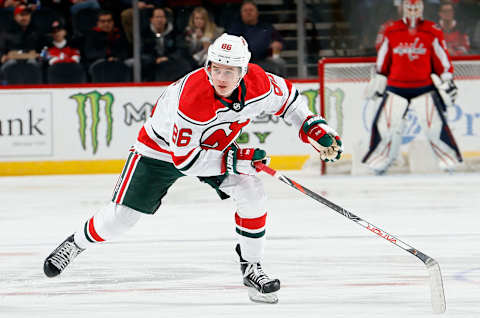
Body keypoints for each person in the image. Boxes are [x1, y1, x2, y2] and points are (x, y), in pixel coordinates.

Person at [43, 33, 343, 304]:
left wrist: (314, 129)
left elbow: (291, 103)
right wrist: (238, 159)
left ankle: (251, 266)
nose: (221, 77)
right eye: (216, 68)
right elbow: (185, 161)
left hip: (212, 148)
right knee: (122, 219)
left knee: (252, 190)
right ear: (208, 66)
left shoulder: (259, 82)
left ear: (244, 70)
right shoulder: (193, 99)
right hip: (159, 152)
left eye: (229, 71)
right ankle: (76, 243)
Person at [362, 0, 462, 175]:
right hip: (395, 87)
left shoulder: (432, 30)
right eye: (410, 8)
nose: (413, 11)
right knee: (389, 125)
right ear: (403, 9)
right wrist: (379, 76)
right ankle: (381, 159)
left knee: (434, 126)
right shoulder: (391, 30)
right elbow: (383, 57)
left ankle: (448, 157)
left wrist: (446, 76)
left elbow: (441, 56)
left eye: (416, 8)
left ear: (422, 9)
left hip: (424, 87)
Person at [227, 0, 286, 77]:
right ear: (241, 13)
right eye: (245, 10)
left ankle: (280, 87)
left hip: (264, 60)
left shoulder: (267, 27)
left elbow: (281, 42)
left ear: (257, 12)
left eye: (251, 10)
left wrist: (278, 44)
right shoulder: (234, 29)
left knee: (279, 63)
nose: (248, 12)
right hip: (241, 62)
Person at [140, 6, 192, 81]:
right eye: (157, 17)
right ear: (151, 19)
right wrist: (155, 60)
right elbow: (142, 53)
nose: (159, 20)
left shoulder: (175, 32)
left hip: (171, 64)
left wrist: (168, 58)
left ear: (166, 19)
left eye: (162, 17)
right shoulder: (145, 34)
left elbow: (181, 50)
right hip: (152, 66)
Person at [0, 4, 43, 71]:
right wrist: (2, 56)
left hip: (31, 61)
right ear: (15, 17)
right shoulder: (7, 31)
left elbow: (41, 49)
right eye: (22, 15)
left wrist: (40, 54)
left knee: (35, 65)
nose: (24, 18)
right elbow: (2, 49)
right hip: (11, 61)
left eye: (27, 15)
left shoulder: (36, 30)